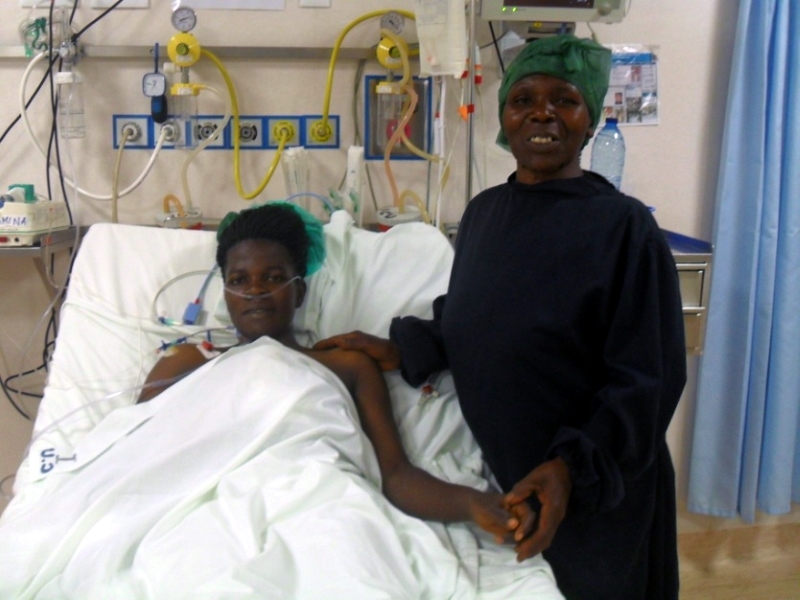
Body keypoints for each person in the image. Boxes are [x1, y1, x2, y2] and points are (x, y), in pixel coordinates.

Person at [314, 35, 687, 600]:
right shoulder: (485, 213)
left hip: (597, 488)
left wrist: (570, 469)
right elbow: (476, 315)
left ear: (589, 120)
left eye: (564, 100)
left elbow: (647, 383)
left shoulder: (623, 229)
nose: (542, 113)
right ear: (504, 118)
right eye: (524, 100)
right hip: (514, 481)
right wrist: (406, 347)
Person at [138, 201, 533, 544]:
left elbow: (396, 477)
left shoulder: (347, 366)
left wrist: (473, 503)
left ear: (300, 292)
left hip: (319, 511)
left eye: (273, 277)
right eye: (239, 280)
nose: (255, 290)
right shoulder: (187, 362)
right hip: (207, 514)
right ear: (225, 293)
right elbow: (136, 453)